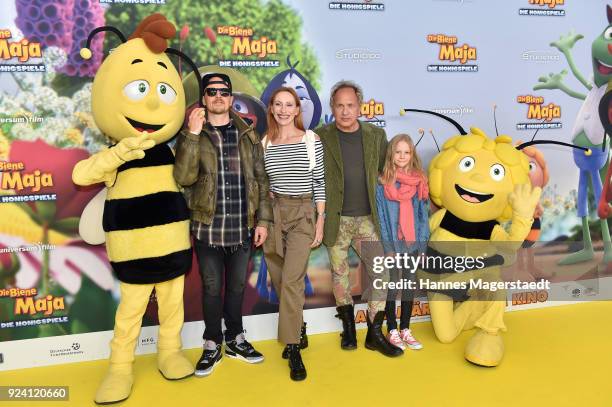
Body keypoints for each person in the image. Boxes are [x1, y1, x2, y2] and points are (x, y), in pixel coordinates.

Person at [174, 73, 273, 377]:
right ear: (203, 98)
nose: (218, 96)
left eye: (224, 92)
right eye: (211, 91)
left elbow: (260, 180)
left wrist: (263, 220)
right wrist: (191, 134)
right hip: (208, 228)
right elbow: (183, 178)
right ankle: (211, 343)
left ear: (231, 98)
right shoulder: (193, 134)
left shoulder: (248, 134)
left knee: (238, 287)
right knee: (212, 288)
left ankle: (236, 339)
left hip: (242, 227)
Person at [316, 80, 401, 357]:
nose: (345, 111)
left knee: (381, 273)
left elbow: (387, 173)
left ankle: (375, 333)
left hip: (367, 220)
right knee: (340, 275)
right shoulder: (319, 136)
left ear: (360, 107)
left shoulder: (376, 136)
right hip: (336, 220)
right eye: (339, 105)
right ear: (332, 107)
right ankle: (349, 329)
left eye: (350, 105)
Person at [261, 87, 325, 381]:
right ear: (271, 108)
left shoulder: (311, 140)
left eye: (290, 105)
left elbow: (320, 183)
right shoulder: (265, 143)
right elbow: (263, 185)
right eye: (278, 105)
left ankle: (293, 347)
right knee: (279, 279)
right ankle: (298, 327)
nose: (284, 110)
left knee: (291, 280)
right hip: (275, 215)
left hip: (302, 213)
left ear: (298, 110)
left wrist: (320, 221)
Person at [375, 134, 429, 351]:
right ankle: (392, 329)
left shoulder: (419, 181)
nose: (402, 156)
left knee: (408, 285)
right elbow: (381, 218)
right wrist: (388, 248)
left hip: (413, 244)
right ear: (391, 154)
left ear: (412, 155)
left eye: (407, 152)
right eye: (398, 152)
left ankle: (406, 328)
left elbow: (423, 216)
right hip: (393, 245)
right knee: (392, 285)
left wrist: (423, 246)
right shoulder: (383, 183)